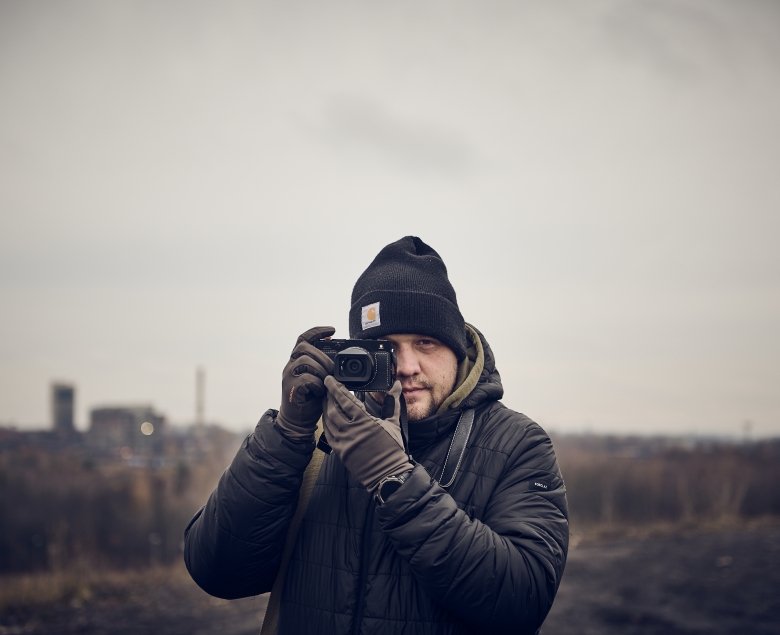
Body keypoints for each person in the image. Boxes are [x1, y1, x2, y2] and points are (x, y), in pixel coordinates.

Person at [184, 236, 569, 635]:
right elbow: (217, 572)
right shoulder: (318, 442)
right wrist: (286, 432)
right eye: (384, 347)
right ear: (356, 355)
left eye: (425, 343)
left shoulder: (517, 444)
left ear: (456, 350)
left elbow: (523, 602)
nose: (406, 366)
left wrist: (395, 478)